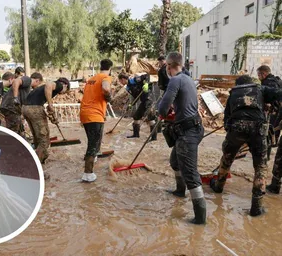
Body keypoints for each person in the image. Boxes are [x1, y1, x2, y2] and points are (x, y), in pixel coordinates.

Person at [210, 75, 282, 217]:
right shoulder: (260, 89)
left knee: (227, 159)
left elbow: (226, 121)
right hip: (258, 129)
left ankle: (218, 186)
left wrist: (234, 135)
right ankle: (256, 206)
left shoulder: (233, 93)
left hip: (236, 128)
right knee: (260, 166)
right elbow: (279, 94)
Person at [158, 52, 205, 225]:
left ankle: (200, 218)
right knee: (175, 162)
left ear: (169, 66)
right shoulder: (188, 78)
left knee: (190, 173)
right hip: (193, 127)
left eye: (167, 68)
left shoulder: (175, 80)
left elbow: (163, 107)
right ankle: (179, 190)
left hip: (188, 132)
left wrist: (163, 111)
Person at [22, 78, 70, 166]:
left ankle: (41, 158)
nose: (61, 93)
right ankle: (35, 166)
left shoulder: (44, 90)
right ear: (65, 85)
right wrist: (50, 104)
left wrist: (53, 117)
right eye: (65, 91)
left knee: (37, 138)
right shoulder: (59, 85)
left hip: (25, 108)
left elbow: (46, 109)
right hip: (34, 108)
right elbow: (48, 84)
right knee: (44, 140)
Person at [80, 59, 113, 182]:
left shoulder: (91, 79)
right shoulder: (106, 77)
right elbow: (106, 88)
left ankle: (93, 158)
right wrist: (108, 97)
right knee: (93, 145)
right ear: (110, 69)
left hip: (85, 113)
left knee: (92, 141)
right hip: (95, 115)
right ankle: (88, 174)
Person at [118, 73, 157, 141]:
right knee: (136, 117)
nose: (120, 83)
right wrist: (131, 104)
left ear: (123, 79)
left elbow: (147, 75)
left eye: (120, 81)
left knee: (150, 118)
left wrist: (146, 84)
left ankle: (154, 137)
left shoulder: (134, 80)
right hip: (143, 101)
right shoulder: (128, 87)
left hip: (149, 98)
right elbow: (134, 97)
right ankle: (136, 134)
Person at [257, 65, 282, 160]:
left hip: (274, 111)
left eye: (259, 74)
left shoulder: (269, 83)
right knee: (273, 131)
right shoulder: (277, 80)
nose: (258, 77)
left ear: (264, 74)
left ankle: (265, 156)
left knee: (267, 132)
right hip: (278, 111)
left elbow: (271, 98)